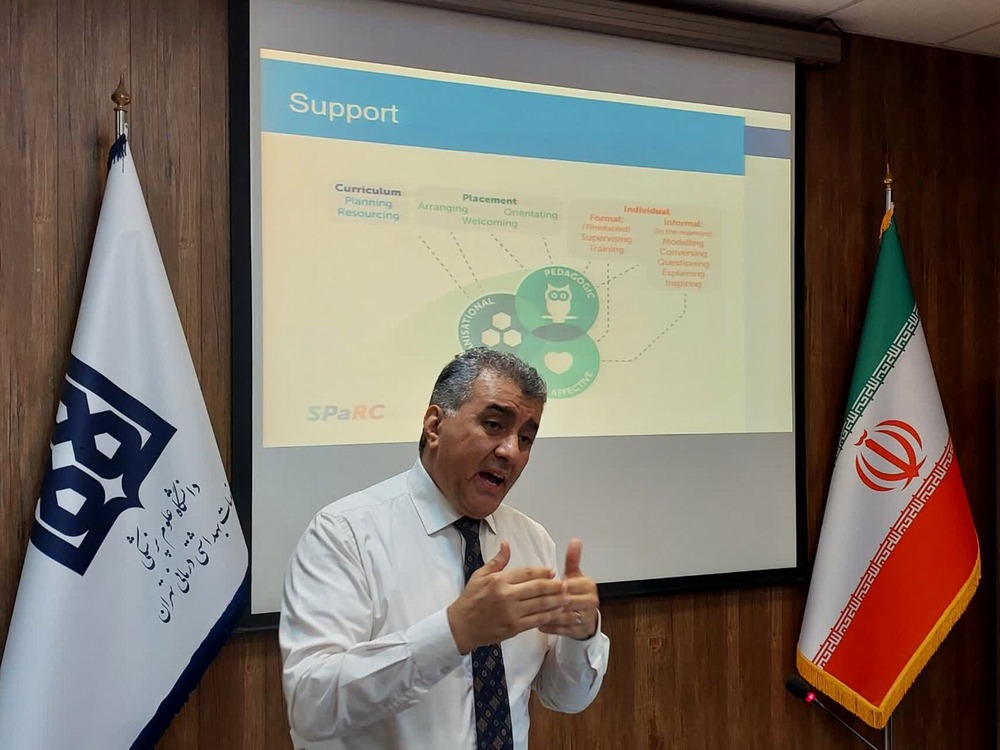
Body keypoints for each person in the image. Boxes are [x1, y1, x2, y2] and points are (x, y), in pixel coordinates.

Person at [280, 347, 610, 750]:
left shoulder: (531, 539)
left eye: (525, 438)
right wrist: (455, 631)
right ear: (434, 426)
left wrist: (582, 635)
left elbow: (565, 698)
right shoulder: (345, 533)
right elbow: (310, 706)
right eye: (494, 425)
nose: (511, 451)